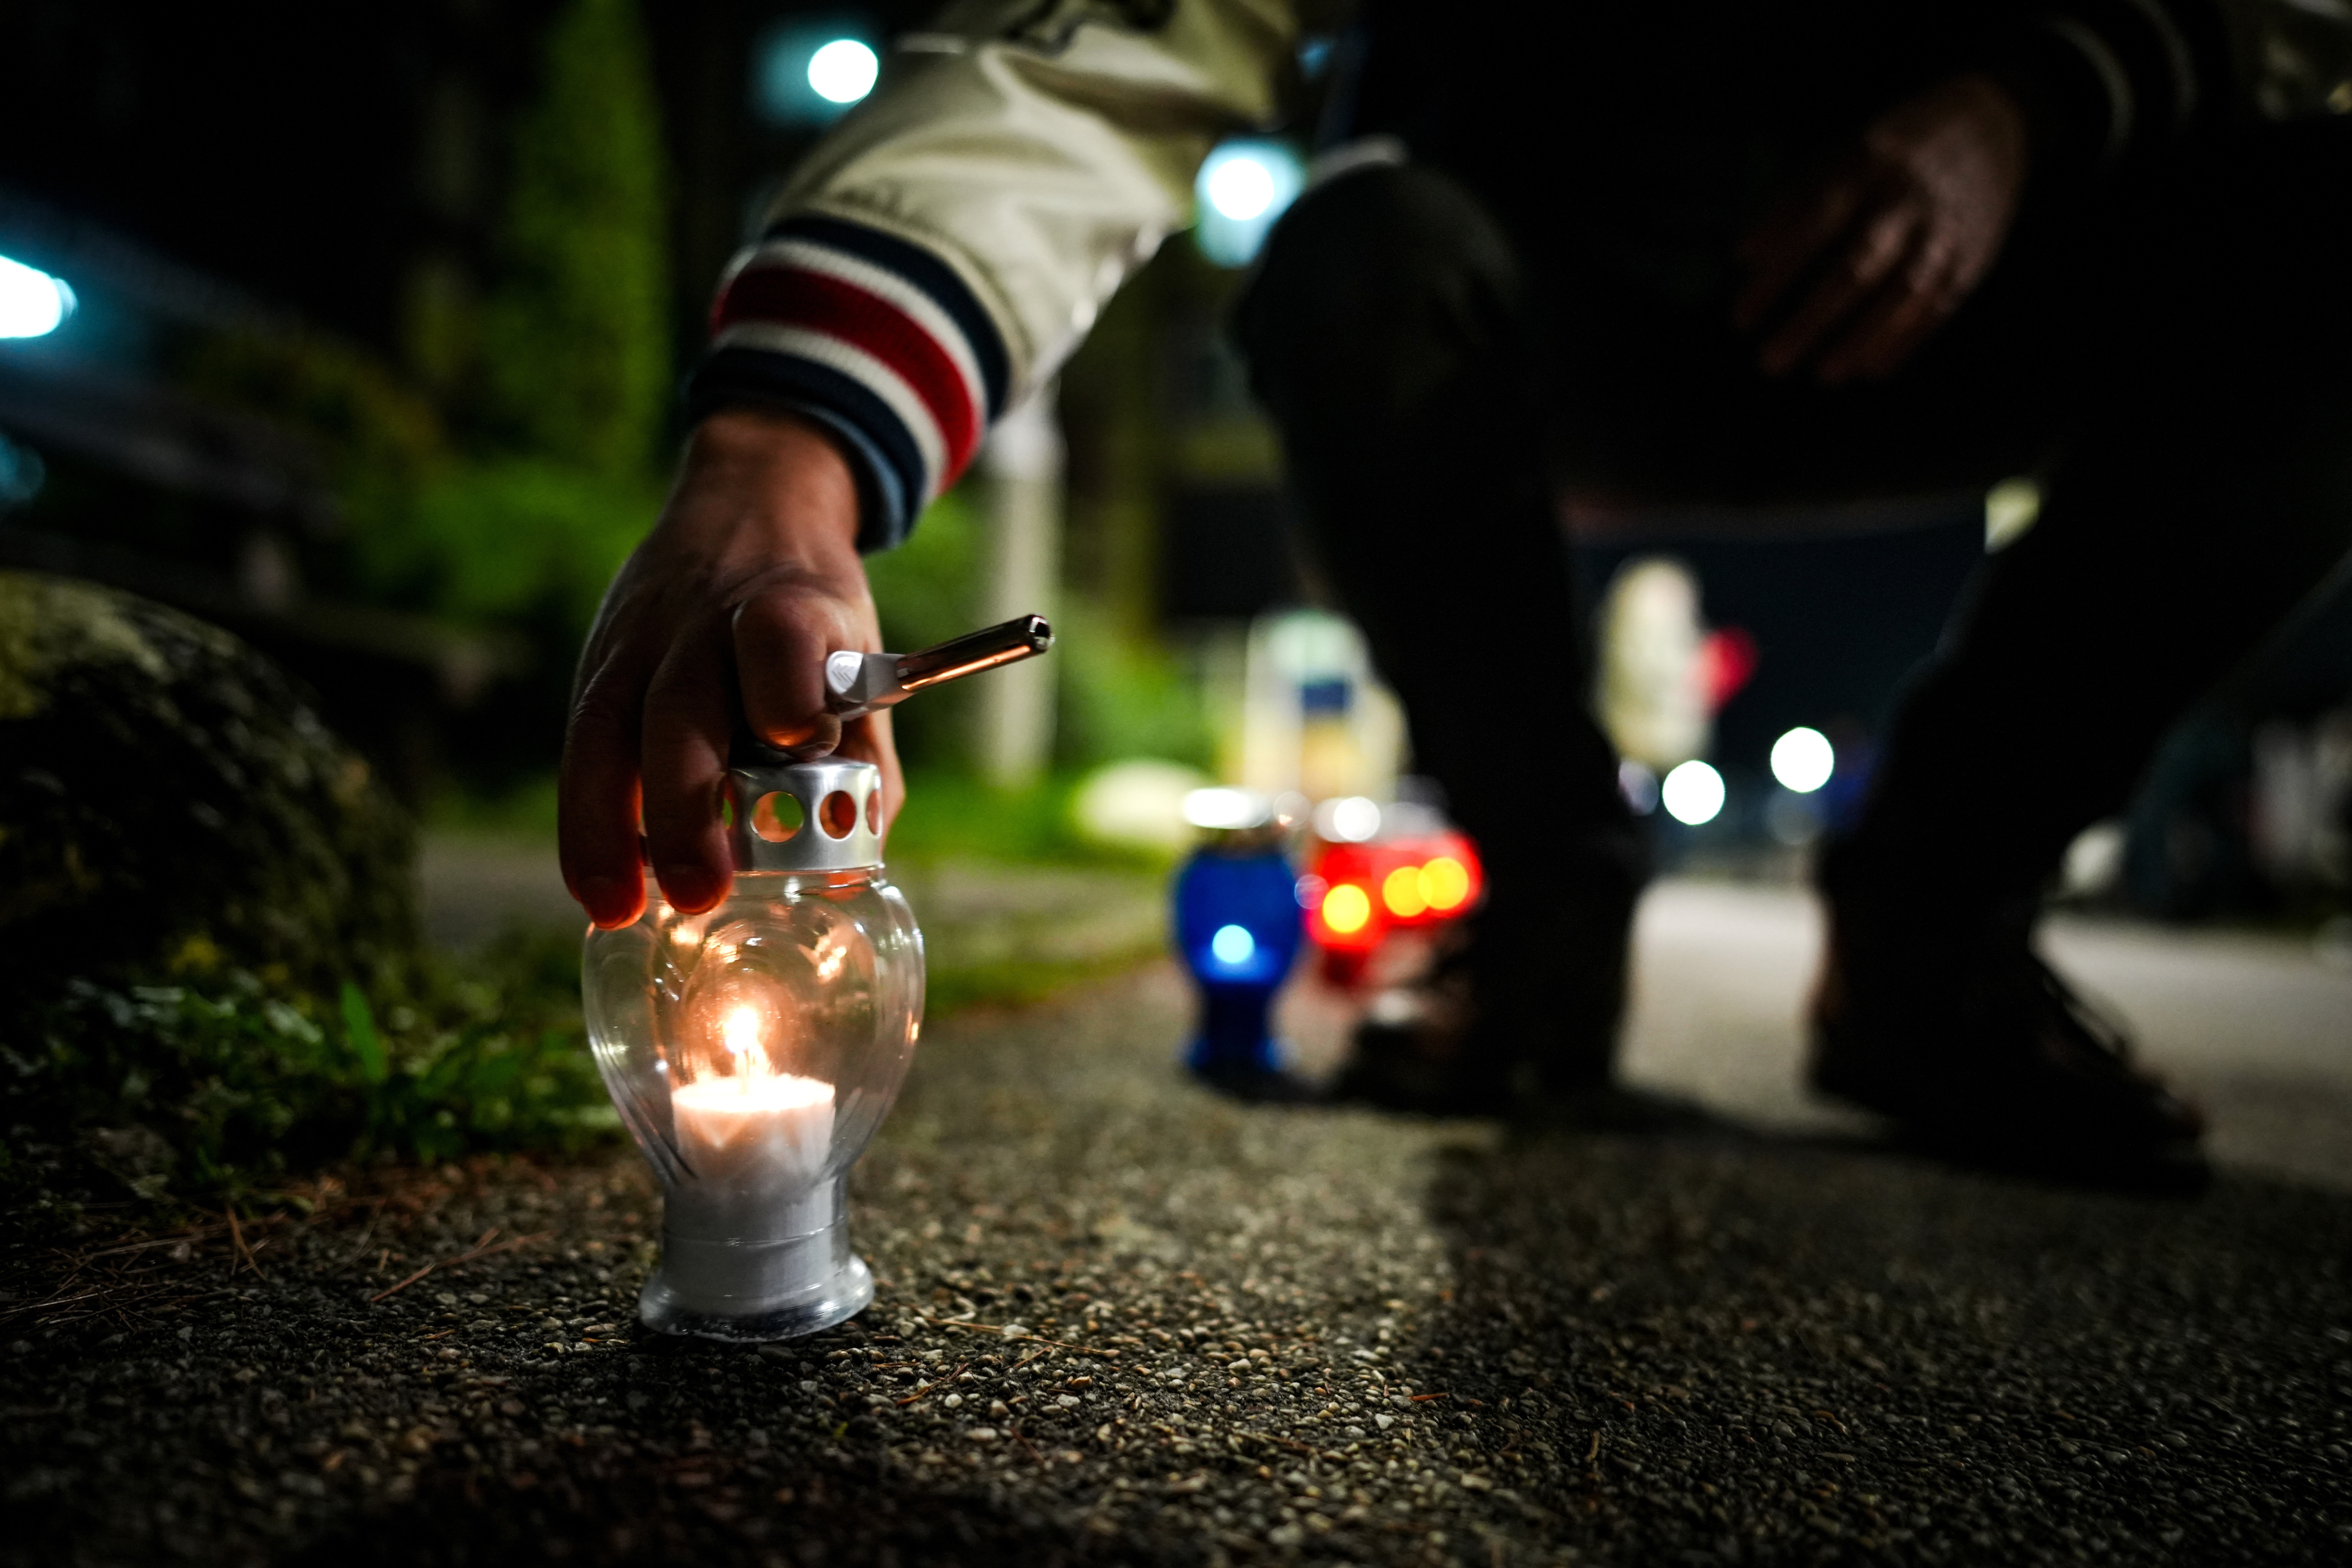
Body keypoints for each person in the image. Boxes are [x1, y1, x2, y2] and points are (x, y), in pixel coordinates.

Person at [560, 0, 2352, 1178]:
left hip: (1995, 280)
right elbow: (1087, 51)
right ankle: (1545, 909)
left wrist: (2042, 97)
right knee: (1352, 248)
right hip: (1518, 301)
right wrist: (786, 447)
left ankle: (1941, 938)